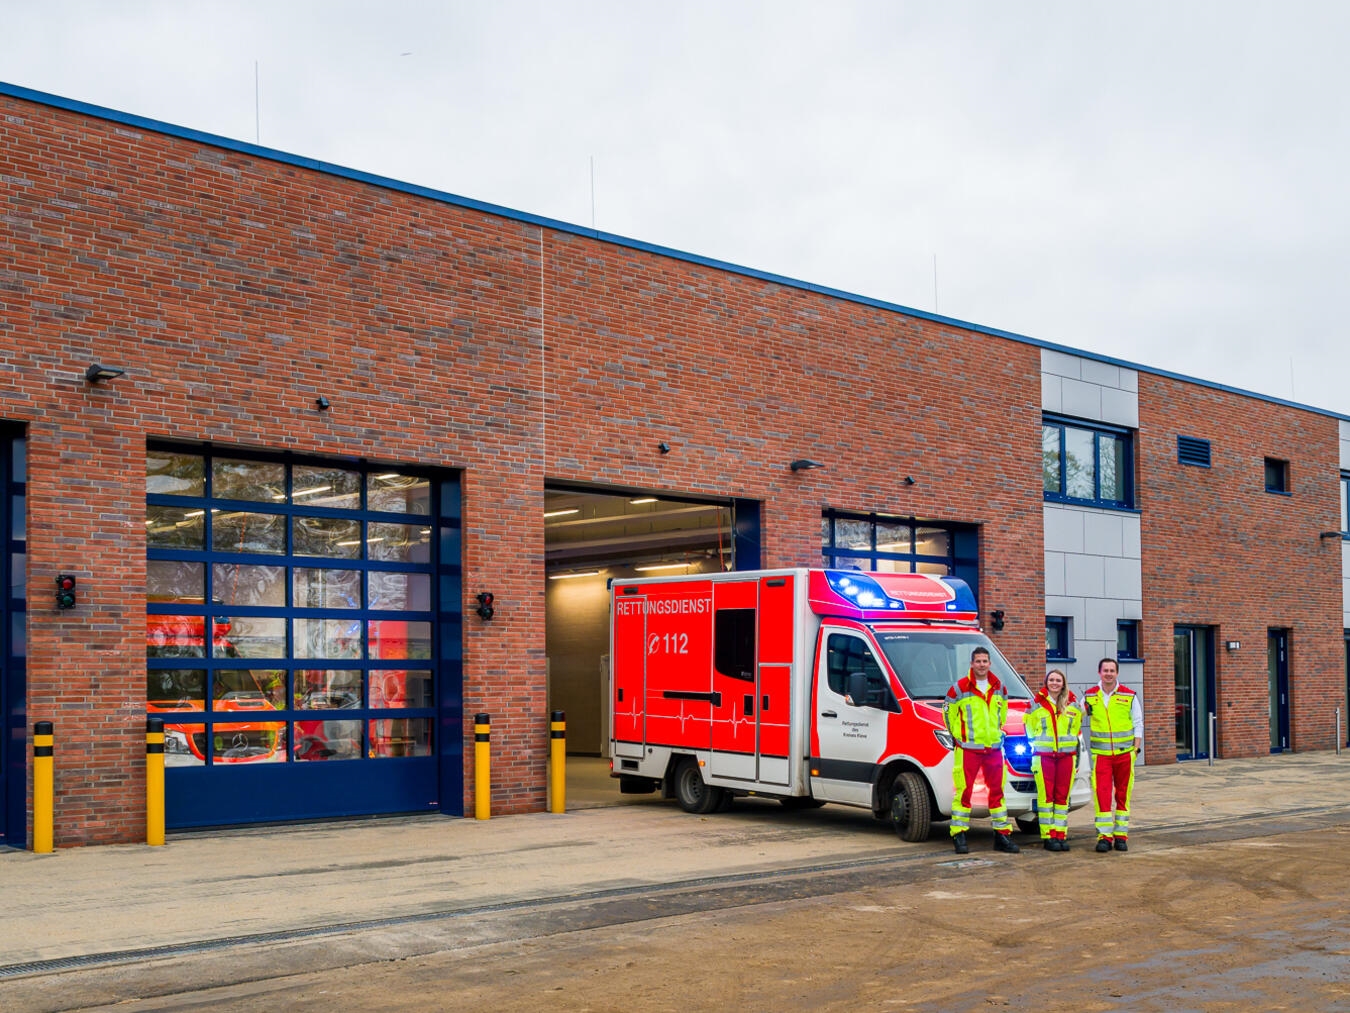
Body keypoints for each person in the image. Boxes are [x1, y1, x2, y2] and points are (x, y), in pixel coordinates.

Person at [943, 646, 1020, 855]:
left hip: (993, 749)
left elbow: (1001, 714)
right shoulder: (958, 688)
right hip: (968, 749)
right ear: (971, 664)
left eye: (985, 661)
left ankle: (1002, 836)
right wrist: (959, 738)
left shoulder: (999, 687)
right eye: (978, 661)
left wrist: (995, 734)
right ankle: (959, 835)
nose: (981, 665)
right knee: (964, 792)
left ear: (990, 663)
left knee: (997, 793)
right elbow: (948, 715)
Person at [1082, 657, 1142, 852]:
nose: (1108, 673)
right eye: (1105, 670)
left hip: (1125, 755)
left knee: (1123, 795)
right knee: (1102, 795)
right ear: (1099, 672)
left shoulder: (1129, 695)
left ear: (1117, 673)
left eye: (1112, 670)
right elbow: (1074, 718)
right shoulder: (1089, 696)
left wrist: (1135, 749)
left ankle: (1121, 836)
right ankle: (1104, 837)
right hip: (1101, 756)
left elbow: (1138, 724)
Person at [1023, 669, 1082, 851]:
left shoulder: (1073, 705)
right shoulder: (1035, 704)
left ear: (1063, 683)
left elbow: (1076, 728)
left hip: (1066, 757)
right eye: (1051, 680)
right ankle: (1048, 836)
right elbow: (1028, 729)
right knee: (1046, 797)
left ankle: (1060, 834)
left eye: (1058, 680)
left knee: (1062, 797)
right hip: (1044, 757)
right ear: (1046, 682)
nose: (1055, 683)